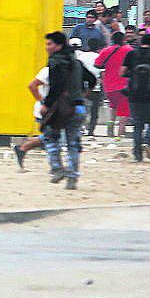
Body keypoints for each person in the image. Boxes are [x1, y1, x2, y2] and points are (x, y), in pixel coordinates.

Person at [40, 32, 94, 190]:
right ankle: (72, 178)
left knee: (50, 137)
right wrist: (82, 94)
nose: (47, 47)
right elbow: (92, 80)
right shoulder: (76, 62)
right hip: (78, 107)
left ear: (58, 45)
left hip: (60, 108)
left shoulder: (55, 61)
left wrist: (46, 104)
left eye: (49, 44)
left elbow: (56, 86)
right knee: (73, 144)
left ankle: (57, 168)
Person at [121, 32, 150, 161]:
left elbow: (122, 72)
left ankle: (137, 155)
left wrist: (133, 75)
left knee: (137, 125)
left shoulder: (131, 54)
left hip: (134, 95)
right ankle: (147, 142)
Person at [93, 32, 132, 138]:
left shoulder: (106, 50)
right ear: (123, 39)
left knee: (113, 106)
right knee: (124, 111)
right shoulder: (129, 50)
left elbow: (97, 64)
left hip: (109, 85)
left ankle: (110, 127)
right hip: (125, 85)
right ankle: (119, 135)